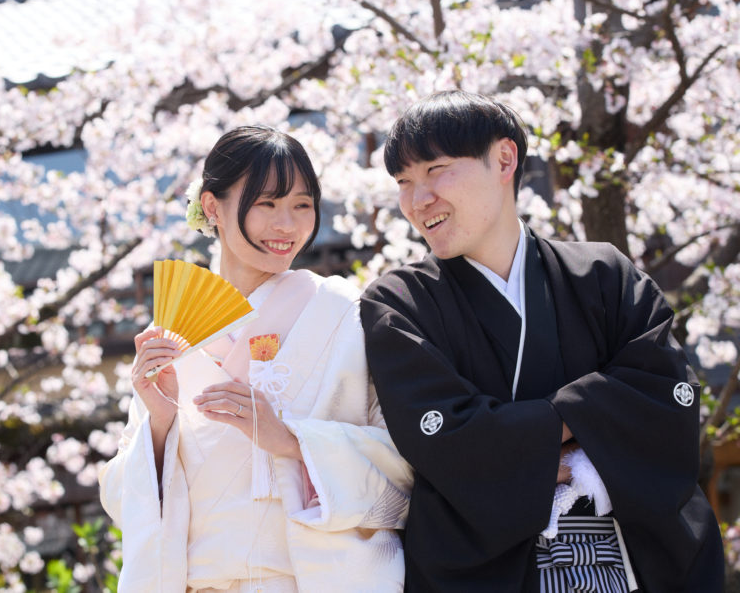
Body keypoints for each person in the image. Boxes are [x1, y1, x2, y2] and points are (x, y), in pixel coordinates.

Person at [360, 90, 724, 592]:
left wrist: (518, 440)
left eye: (436, 170)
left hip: (628, 561)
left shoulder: (604, 275)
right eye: (404, 181)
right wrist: (593, 422)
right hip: (485, 571)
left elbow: (665, 399)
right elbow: (440, 436)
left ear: (504, 159)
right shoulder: (399, 302)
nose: (418, 200)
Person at [99, 125, 413, 593]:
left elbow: (402, 468)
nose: (287, 225)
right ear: (212, 206)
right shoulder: (174, 331)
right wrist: (159, 427)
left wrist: (292, 441)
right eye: (267, 204)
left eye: (302, 205)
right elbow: (123, 500)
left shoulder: (343, 313)